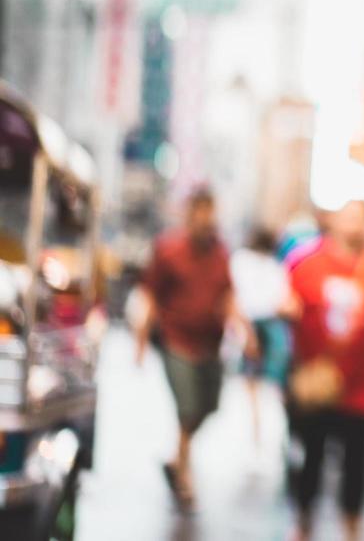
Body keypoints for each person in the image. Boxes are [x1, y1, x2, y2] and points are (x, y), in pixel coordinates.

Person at [283, 199, 364, 541]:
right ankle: (304, 521)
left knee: (356, 458)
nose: (354, 225)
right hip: (317, 382)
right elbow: (289, 307)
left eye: (361, 218)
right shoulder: (306, 264)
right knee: (311, 453)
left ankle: (351, 526)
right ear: (334, 222)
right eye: (348, 217)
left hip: (363, 384)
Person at [133, 185, 254, 508]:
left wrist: (246, 331)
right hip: (176, 340)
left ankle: (176, 459)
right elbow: (149, 296)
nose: (206, 219)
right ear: (189, 214)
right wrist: (141, 342)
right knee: (188, 409)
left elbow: (228, 296)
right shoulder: (169, 249)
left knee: (209, 407)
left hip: (210, 345)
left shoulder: (221, 253)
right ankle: (184, 473)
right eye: (200, 212)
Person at [230, 222, 288, 445]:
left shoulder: (241, 261)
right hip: (267, 324)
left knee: (253, 385)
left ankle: (257, 434)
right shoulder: (274, 266)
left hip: (253, 323)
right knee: (271, 384)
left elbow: (236, 297)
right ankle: (262, 434)